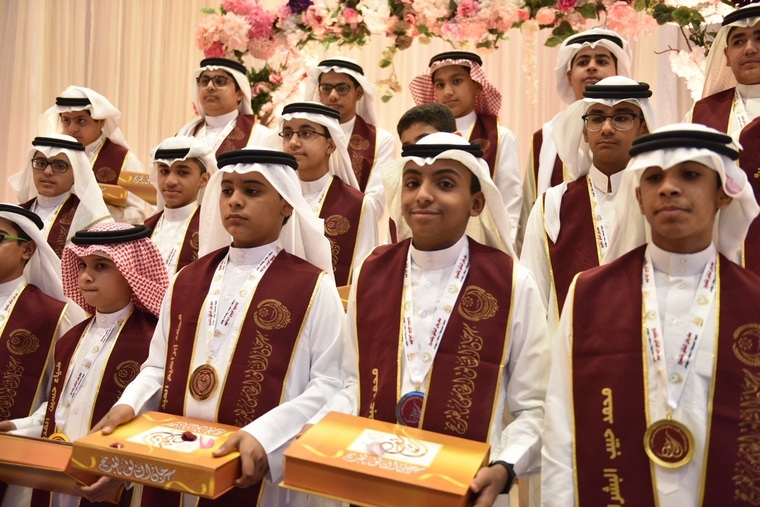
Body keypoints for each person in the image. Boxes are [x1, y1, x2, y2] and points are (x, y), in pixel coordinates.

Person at [91, 148, 346, 506]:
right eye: (227, 190)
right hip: (172, 461)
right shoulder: (187, 279)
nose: (235, 201)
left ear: (286, 204)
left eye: (252, 191)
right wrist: (129, 404)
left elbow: (330, 383)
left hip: (252, 464)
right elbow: (158, 367)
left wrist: (266, 435)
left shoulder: (313, 286)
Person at [313, 133, 550, 507]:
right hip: (372, 479)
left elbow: (535, 407)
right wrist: (316, 429)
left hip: (469, 488)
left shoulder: (512, 282)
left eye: (444, 184)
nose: (423, 195)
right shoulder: (371, 273)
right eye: (412, 183)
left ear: (476, 203)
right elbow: (353, 384)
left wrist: (506, 466)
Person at [541, 124, 760, 506]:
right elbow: (561, 430)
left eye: (689, 175)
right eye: (654, 177)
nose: (669, 188)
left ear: (724, 193)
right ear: (639, 197)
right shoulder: (589, 294)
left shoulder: (752, 301)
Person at [21, 222, 168, 506]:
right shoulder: (70, 339)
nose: (86, 277)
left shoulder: (154, 341)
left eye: (101, 266)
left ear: (130, 271)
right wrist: (18, 428)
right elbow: (58, 410)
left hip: (113, 480)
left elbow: (157, 420)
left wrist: (124, 472)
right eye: (82, 265)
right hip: (57, 479)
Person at [521, 77, 654, 330]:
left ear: (643, 128)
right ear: (584, 130)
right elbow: (532, 302)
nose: (607, 128)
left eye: (622, 118)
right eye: (596, 118)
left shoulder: (657, 203)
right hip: (566, 350)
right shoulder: (552, 205)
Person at [0, 204, 87, 507]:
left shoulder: (54, 316)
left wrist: (22, 427)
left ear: (27, 250)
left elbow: (62, 396)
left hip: (15, 455)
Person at [517, 28, 633, 252]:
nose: (592, 67)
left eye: (601, 61)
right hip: (563, 254)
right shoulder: (544, 138)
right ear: (569, 77)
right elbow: (529, 210)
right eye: (583, 62)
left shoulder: (637, 129)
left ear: (618, 71)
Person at [409, 51, 523, 244]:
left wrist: (503, 248)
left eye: (457, 81)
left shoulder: (500, 137)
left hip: (486, 245)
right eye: (440, 85)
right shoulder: (422, 139)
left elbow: (510, 201)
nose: (448, 92)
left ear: (476, 85)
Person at [689, 2, 760, 275]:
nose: (750, 49)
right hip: (721, 263)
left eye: (759, 38)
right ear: (727, 55)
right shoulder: (699, 116)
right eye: (739, 41)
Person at [275, 102, 380, 286]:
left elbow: (365, 280)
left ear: (330, 145)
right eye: (288, 134)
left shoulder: (359, 206)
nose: (293, 143)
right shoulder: (273, 198)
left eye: (306, 133)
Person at [40, 86, 148, 224]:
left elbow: (138, 214)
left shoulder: (126, 160)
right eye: (66, 120)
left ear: (101, 121)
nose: (72, 128)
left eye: (81, 121)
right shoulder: (49, 154)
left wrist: (95, 212)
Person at [8, 135, 112, 257]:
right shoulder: (16, 215)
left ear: (75, 174)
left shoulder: (90, 220)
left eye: (59, 166)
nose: (47, 171)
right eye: (41, 163)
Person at [303, 57, 396, 193]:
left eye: (342, 89)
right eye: (326, 88)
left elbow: (375, 199)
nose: (333, 96)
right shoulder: (299, 135)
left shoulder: (381, 141)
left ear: (358, 93)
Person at [144, 136, 218, 274]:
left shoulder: (211, 231)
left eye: (183, 173)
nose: (170, 181)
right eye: (164, 171)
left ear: (204, 180)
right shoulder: (145, 229)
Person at [177, 58, 271, 156]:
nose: (209, 87)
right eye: (204, 81)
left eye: (220, 81)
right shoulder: (185, 134)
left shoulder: (261, 136)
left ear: (239, 93)